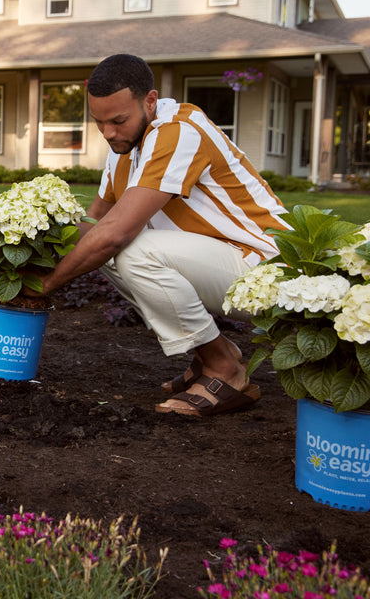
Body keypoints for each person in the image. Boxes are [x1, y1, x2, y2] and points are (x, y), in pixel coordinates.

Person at [26, 54, 289, 416]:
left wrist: (48, 284)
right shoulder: (126, 144)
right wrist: (29, 263)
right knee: (105, 250)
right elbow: (95, 219)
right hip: (226, 265)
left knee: (130, 249)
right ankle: (215, 355)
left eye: (118, 120)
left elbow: (116, 232)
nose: (109, 133)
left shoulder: (178, 132)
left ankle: (226, 371)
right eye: (99, 123)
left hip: (268, 270)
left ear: (150, 101)